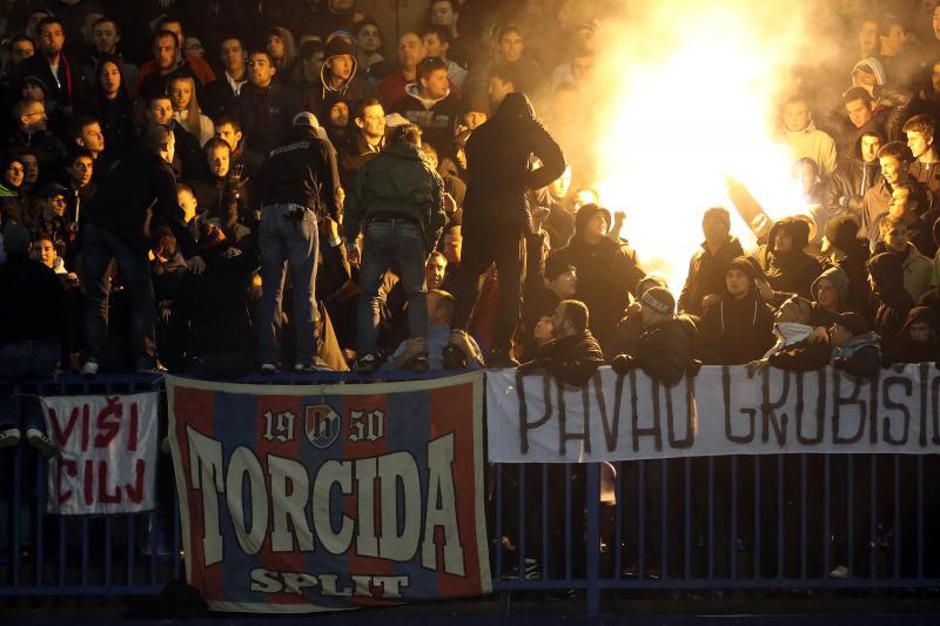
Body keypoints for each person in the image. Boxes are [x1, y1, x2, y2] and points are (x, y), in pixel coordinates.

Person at [446, 91, 566, 367]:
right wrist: (529, 180)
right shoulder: (527, 127)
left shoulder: (480, 134)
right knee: (512, 285)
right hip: (509, 219)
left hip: (476, 216)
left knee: (469, 281)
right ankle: (502, 348)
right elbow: (558, 163)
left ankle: (455, 340)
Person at [79, 125, 197, 375]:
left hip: (95, 225)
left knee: (98, 295)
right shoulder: (161, 169)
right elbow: (172, 214)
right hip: (124, 232)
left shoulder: (126, 162)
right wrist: (193, 250)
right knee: (142, 294)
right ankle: (146, 361)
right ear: (167, 145)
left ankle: (91, 360)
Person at [344, 123, 445, 372]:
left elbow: (354, 201)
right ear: (416, 142)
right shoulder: (427, 170)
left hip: (376, 227)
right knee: (417, 294)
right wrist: (429, 247)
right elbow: (439, 216)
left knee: (369, 294)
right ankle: (418, 353)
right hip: (411, 231)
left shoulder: (374, 164)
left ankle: (366, 356)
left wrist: (350, 237)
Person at [256, 112, 341, 373]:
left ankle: (268, 359)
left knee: (271, 293)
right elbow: (333, 185)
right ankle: (307, 358)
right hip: (300, 213)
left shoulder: (275, 150)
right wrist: (336, 217)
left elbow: (258, 186)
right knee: (305, 290)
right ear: (315, 129)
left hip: (269, 215)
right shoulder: (320, 145)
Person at [0, 223, 64, 455]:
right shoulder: (47, 276)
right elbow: (63, 315)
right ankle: (35, 426)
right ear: (29, 247)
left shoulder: (2, 276)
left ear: (5, 248)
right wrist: (63, 354)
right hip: (45, 353)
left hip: (10, 353)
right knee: (36, 382)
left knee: (7, 379)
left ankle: (7, 423)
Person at [551, 203, 645, 352]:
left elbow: (640, 284)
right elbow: (551, 288)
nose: (603, 222)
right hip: (577, 330)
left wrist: (639, 305)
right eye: (596, 217)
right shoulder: (564, 256)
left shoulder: (622, 254)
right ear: (583, 222)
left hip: (616, 329)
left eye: (605, 219)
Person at [610, 286, 695, 387]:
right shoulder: (655, 331)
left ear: (656, 310)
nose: (641, 312)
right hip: (660, 399)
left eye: (644, 308)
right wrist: (630, 362)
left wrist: (640, 361)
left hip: (670, 400)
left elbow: (671, 371)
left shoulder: (675, 333)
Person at [699, 257, 775, 365]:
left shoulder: (763, 311)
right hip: (720, 372)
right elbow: (704, 343)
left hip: (753, 374)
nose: (733, 279)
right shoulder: (714, 309)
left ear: (749, 281)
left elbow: (768, 345)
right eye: (730, 275)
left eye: (739, 275)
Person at [517, 299, 605, 386]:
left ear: (568, 324)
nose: (552, 319)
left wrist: (546, 364)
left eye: (556, 315)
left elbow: (580, 372)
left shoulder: (589, 347)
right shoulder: (551, 347)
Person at [234, 50, 303, 156]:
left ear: (272, 70)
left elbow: (297, 132)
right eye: (251, 64)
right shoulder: (240, 100)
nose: (255, 67)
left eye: (261, 63)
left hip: (282, 156)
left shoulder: (287, 98)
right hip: (250, 158)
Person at [678, 207, 744, 316]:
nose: (711, 227)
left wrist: (720, 299)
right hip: (692, 321)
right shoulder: (697, 256)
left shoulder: (738, 257)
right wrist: (681, 310)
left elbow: (747, 293)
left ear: (727, 227)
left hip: (723, 322)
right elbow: (688, 288)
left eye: (716, 223)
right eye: (707, 223)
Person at [392, 56, 462, 155]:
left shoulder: (454, 106)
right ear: (424, 81)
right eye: (440, 78)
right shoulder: (402, 107)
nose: (446, 83)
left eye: (446, 77)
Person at [303, 36, 377, 123]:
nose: (347, 64)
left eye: (350, 59)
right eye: (341, 59)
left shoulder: (365, 91)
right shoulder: (312, 93)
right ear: (328, 63)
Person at [751, 296, 831, 372]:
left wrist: (772, 361)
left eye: (781, 310)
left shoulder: (812, 342)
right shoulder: (781, 343)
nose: (776, 313)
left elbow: (808, 360)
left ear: (800, 316)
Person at [827, 130, 881, 224]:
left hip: (876, 231)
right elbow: (829, 203)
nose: (869, 150)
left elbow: (881, 206)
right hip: (847, 230)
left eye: (875, 145)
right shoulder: (842, 171)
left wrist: (848, 201)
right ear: (859, 144)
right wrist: (853, 220)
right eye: (865, 144)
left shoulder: (886, 172)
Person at [779, 94, 837, 176]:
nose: (794, 119)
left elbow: (832, 176)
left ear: (808, 115)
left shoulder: (823, 140)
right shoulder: (774, 140)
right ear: (783, 116)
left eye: (799, 114)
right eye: (789, 114)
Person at [868, 250, 915, 344]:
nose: (868, 279)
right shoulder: (886, 301)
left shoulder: (901, 305)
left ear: (881, 277)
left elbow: (900, 344)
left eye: (871, 275)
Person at [201, 36, 249, 119]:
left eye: (235, 50)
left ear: (245, 54)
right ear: (221, 56)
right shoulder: (213, 86)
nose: (230, 55)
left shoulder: (255, 82)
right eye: (225, 52)